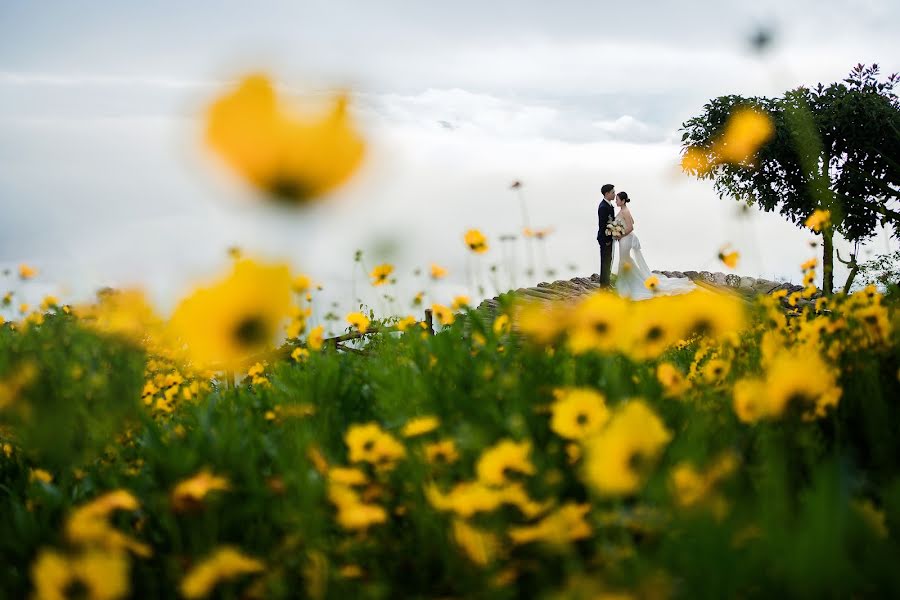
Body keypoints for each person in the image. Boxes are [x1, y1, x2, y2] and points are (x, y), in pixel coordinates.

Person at [612, 191, 696, 300]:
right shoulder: (623, 210)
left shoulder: (625, 211)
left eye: (617, 199)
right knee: (625, 260)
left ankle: (627, 285)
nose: (616, 201)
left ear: (623, 201)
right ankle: (628, 281)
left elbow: (631, 227)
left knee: (624, 260)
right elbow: (632, 221)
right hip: (624, 239)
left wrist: (620, 235)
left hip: (625, 239)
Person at [596, 184, 616, 286]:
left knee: (609, 260)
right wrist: (607, 239)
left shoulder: (609, 205)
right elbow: (603, 225)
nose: (614, 194)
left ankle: (606, 283)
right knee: (605, 261)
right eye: (613, 192)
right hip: (605, 238)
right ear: (607, 193)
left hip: (609, 237)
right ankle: (604, 286)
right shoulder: (603, 206)